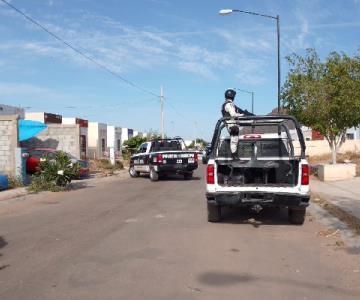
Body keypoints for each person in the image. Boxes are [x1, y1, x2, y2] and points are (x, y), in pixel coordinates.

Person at [221, 89, 254, 156]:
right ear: (232, 96)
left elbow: (239, 110)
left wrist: (245, 113)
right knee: (234, 140)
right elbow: (233, 114)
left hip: (230, 124)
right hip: (232, 124)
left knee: (234, 139)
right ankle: (234, 156)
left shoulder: (226, 104)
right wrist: (243, 115)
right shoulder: (229, 104)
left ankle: (234, 155)